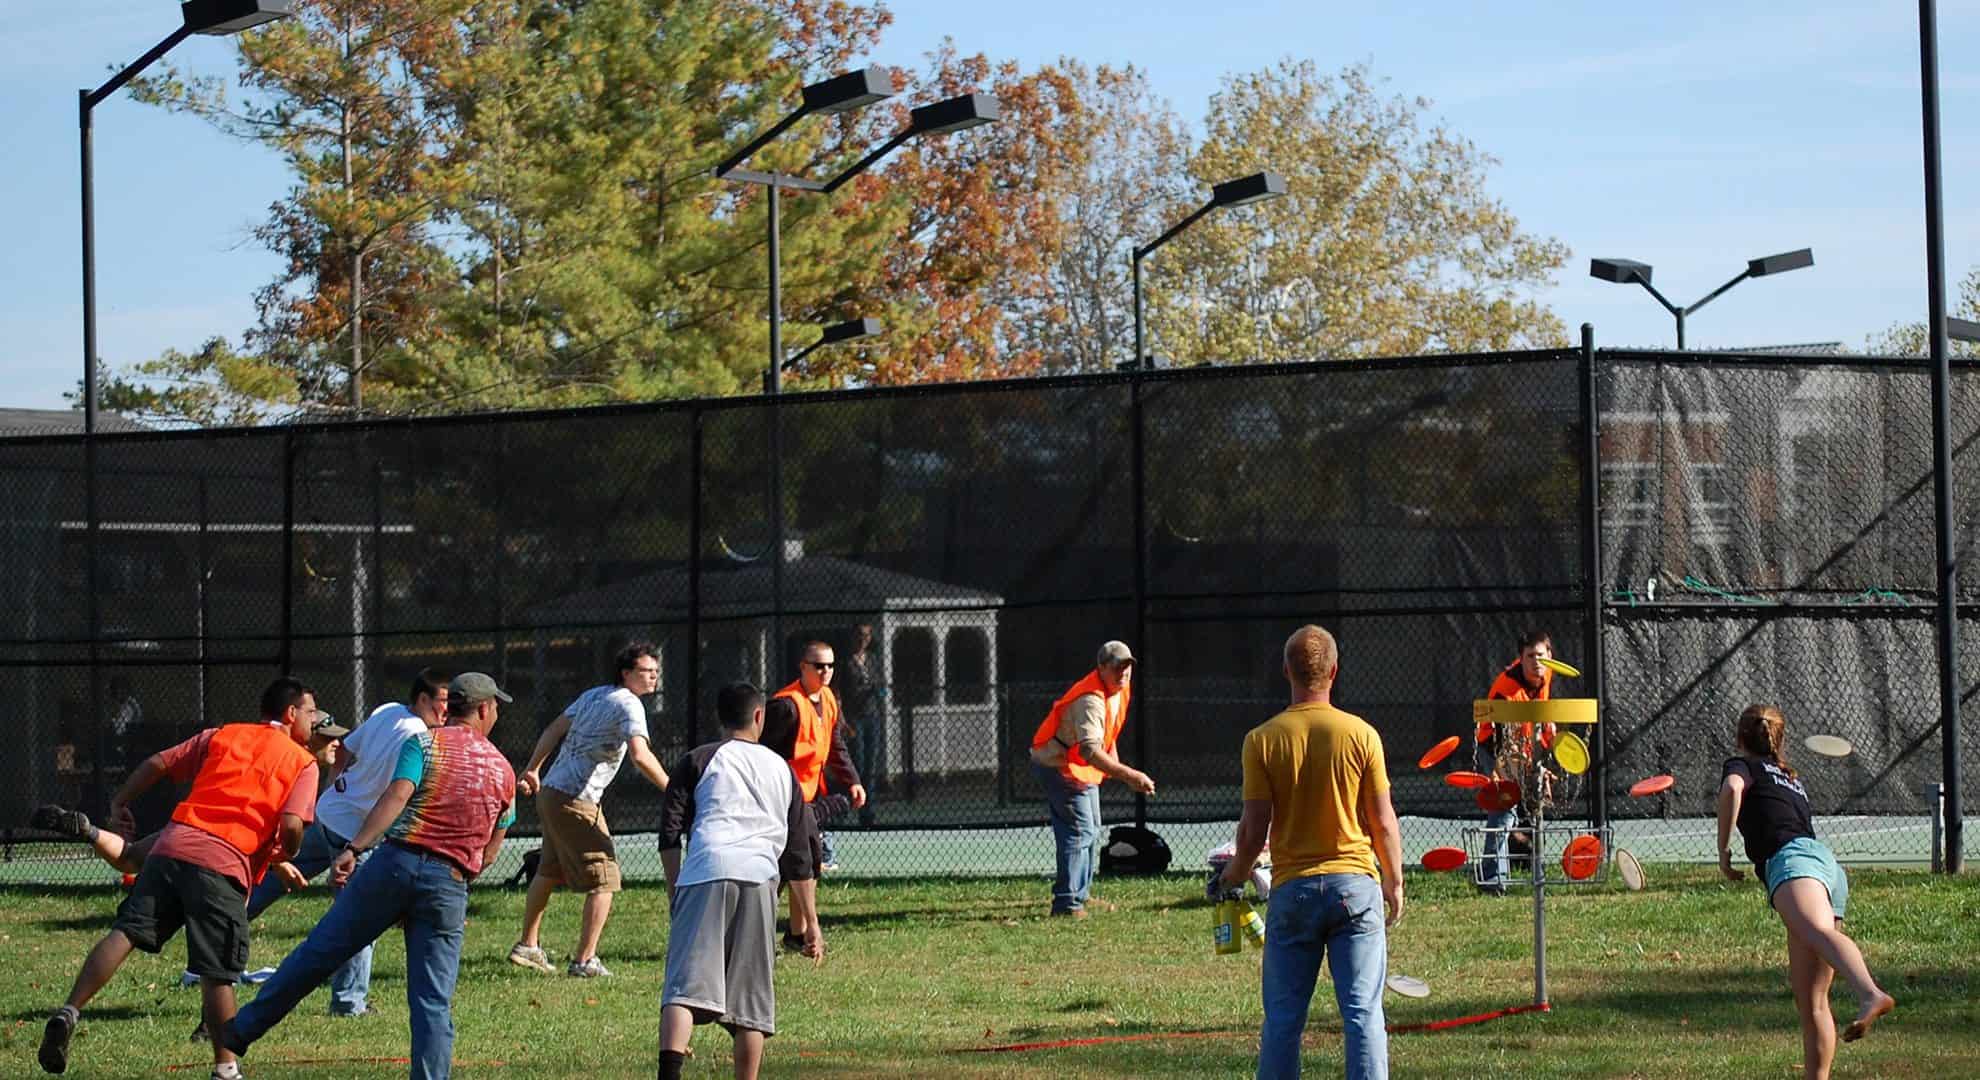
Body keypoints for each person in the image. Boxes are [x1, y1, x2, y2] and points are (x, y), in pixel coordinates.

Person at [222, 672, 518, 1080]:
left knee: (320, 952)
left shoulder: (425, 743)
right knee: (432, 1000)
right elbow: (490, 852)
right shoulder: (503, 771)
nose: (497, 712)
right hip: (449, 882)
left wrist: (354, 848)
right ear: (484, 709)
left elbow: (397, 795)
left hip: (394, 864)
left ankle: (239, 1032)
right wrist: (452, 881)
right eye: (497, 706)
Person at [38, 677, 325, 1080]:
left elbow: (158, 763)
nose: (316, 720)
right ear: (291, 713)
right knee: (218, 972)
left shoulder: (223, 735)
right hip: (222, 863)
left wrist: (120, 801)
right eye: (312, 712)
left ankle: (69, 1011)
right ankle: (226, 1070)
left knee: (125, 932)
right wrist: (286, 851)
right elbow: (292, 823)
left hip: (174, 843)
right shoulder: (302, 762)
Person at [1215, 625, 1403, 1080]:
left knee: (1283, 1019)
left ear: (1286, 671)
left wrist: (1233, 876)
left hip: (1292, 892)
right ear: (1335, 671)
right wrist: (1393, 882)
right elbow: (1382, 821)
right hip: (1355, 888)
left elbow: (1253, 830)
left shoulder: (1261, 740)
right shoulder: (1362, 735)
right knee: (1362, 1013)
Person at [246, 668, 451, 1018]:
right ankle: (348, 1002)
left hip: (328, 814)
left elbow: (341, 749)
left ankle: (210, 948)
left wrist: (336, 785)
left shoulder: (388, 710)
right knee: (361, 920)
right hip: (357, 837)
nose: (448, 711)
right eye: (444, 703)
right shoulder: (422, 739)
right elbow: (400, 795)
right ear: (422, 700)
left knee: (268, 882)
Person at [1716, 704, 1895, 1080]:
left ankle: (1869, 992)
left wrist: (1723, 851)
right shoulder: (1788, 775)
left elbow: (1733, 789)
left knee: (1818, 934)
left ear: (1740, 738)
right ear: (1778, 740)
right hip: (1824, 866)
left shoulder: (1742, 767)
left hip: (1794, 863)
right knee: (1812, 1002)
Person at [655, 684, 814, 1080]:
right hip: (759, 878)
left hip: (705, 870)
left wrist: (676, 889)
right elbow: (799, 855)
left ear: (719, 718)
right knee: (750, 1004)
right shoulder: (783, 770)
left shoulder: (698, 759)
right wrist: (811, 922)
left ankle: (668, 1075)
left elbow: (670, 831)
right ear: (759, 716)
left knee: (683, 989)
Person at [512, 642, 670, 977]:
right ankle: (584, 961)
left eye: (656, 670)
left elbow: (554, 728)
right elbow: (641, 755)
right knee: (605, 879)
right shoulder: (630, 704)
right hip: (575, 800)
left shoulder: (595, 694)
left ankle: (528, 945)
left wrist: (533, 769)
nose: (654, 675)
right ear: (626, 674)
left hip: (551, 792)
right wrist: (673, 789)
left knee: (549, 870)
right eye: (646, 670)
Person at [1028, 640, 1155, 918]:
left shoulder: (1118, 689)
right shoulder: (1090, 700)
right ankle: (1067, 903)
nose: (1123, 673)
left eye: (1127, 667)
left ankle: (1079, 896)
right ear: (1101, 668)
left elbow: (1107, 734)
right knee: (1079, 831)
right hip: (1057, 764)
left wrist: (1116, 766)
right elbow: (1089, 749)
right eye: (1117, 667)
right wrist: (1129, 775)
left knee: (1091, 827)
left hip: (1076, 765)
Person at [773, 641, 863, 945]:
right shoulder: (786, 705)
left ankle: (796, 934)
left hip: (808, 798)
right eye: (818, 665)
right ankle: (751, 930)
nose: (826, 671)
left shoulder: (827, 698)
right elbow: (764, 755)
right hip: (782, 800)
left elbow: (835, 744)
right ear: (803, 667)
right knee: (785, 869)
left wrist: (852, 780)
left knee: (805, 864)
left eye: (830, 666)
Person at [1474, 630, 1555, 895]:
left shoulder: (1547, 673)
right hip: (1496, 747)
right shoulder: (1505, 690)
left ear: (1549, 656)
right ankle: (1493, 880)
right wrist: (1507, 773)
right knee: (1503, 809)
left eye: (1540, 655)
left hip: (1525, 745)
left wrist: (1545, 735)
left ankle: (1535, 871)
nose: (1536, 661)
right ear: (1520, 659)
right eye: (1529, 656)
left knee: (1536, 806)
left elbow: (1540, 710)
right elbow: (1500, 743)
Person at [838, 624, 885, 826]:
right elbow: (838, 693)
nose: (863, 639)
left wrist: (879, 691)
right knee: (857, 763)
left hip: (872, 716)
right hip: (854, 718)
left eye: (866, 635)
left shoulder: (873, 660)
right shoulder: (845, 662)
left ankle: (868, 813)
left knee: (870, 766)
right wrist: (843, 721)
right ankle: (846, 807)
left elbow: (881, 686)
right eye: (859, 635)